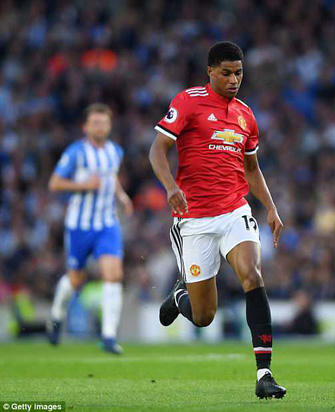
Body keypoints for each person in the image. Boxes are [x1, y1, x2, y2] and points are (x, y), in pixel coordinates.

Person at [148, 41, 286, 399]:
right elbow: (157, 149)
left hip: (234, 211)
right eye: (226, 73)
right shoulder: (188, 101)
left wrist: (270, 207)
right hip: (193, 219)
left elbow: (251, 169)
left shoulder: (246, 115)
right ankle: (180, 295)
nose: (233, 80)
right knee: (204, 315)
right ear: (210, 71)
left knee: (252, 275)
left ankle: (264, 374)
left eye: (238, 73)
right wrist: (170, 186)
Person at [48, 103, 133, 354]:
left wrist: (122, 196)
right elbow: (55, 183)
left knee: (113, 274)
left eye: (104, 123)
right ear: (85, 127)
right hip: (79, 226)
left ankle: (108, 336)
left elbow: (111, 176)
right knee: (76, 279)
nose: (100, 127)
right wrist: (83, 185)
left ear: (109, 126)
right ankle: (56, 315)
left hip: (107, 223)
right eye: (95, 123)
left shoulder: (115, 151)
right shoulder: (76, 152)